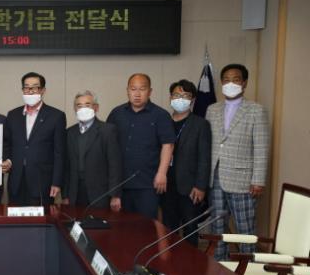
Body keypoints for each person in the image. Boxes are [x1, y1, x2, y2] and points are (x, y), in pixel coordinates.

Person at [206, 64, 270, 260]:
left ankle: (249, 268)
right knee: (217, 227)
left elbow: (261, 147)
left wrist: (258, 180)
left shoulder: (256, 110)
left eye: (235, 79)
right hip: (215, 177)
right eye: (226, 80)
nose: (230, 83)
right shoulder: (212, 109)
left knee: (245, 228)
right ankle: (220, 265)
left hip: (243, 179)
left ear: (244, 83)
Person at [106, 73, 175, 219]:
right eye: (133, 89)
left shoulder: (161, 115)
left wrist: (162, 173)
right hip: (120, 183)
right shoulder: (116, 114)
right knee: (120, 225)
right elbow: (108, 146)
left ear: (150, 91)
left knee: (146, 226)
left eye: (142, 89)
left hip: (148, 183)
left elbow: (168, 145)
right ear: (127, 91)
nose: (137, 94)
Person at [160, 80, 211, 246]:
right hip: (165, 185)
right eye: (176, 95)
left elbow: (204, 157)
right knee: (168, 229)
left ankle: (190, 262)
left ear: (193, 100)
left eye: (185, 96)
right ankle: (170, 261)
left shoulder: (200, 124)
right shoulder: (163, 121)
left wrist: (201, 186)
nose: (180, 99)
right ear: (170, 98)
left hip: (190, 187)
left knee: (190, 229)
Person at [3, 72, 66, 206]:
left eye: (35, 87)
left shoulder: (56, 116)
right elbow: (7, 144)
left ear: (43, 90)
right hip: (16, 180)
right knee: (14, 217)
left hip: (42, 182)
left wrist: (56, 182)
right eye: (26, 87)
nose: (30, 91)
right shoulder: (13, 115)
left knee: (41, 218)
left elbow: (59, 152)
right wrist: (8, 160)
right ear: (22, 90)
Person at [63, 90, 122, 210]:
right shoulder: (69, 132)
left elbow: (114, 165)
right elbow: (66, 166)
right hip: (75, 193)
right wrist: (65, 195)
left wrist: (115, 195)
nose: (83, 109)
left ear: (96, 107)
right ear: (75, 109)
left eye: (87, 105)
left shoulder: (107, 130)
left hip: (100, 193)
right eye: (79, 105)